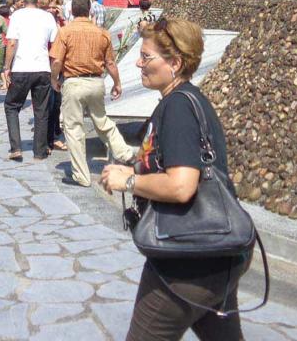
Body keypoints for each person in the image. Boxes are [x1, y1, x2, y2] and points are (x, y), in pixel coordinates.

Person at [101, 17, 250, 341]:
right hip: (215, 253)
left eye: (146, 57)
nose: (138, 63)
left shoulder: (179, 107)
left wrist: (128, 181)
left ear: (175, 63)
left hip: (187, 258)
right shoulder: (187, 99)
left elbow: (182, 186)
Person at [50, 0, 133, 187]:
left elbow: (57, 61)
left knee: (73, 128)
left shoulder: (65, 32)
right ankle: (125, 153)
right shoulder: (102, 33)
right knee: (102, 121)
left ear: (71, 11)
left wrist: (54, 79)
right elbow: (110, 62)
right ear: (89, 10)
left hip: (74, 82)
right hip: (96, 82)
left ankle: (81, 175)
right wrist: (117, 82)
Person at [1, 0, 58, 162]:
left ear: (23, 0)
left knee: (11, 106)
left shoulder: (17, 16)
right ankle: (39, 151)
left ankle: (16, 147)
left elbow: (11, 43)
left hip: (21, 67)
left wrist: (6, 67)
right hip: (42, 68)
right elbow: (55, 41)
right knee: (41, 110)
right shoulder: (48, 16)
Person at [40, 0, 67, 152]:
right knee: (49, 104)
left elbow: (68, 35)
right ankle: (49, 140)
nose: (51, 10)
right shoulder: (41, 23)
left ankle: (55, 132)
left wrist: (62, 18)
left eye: (54, 7)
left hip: (60, 65)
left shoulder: (59, 22)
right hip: (46, 64)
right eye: (49, 7)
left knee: (57, 103)